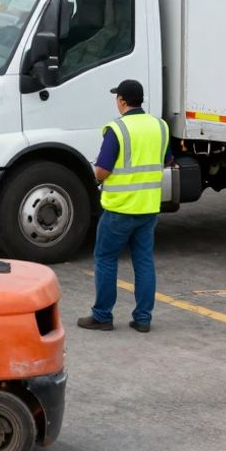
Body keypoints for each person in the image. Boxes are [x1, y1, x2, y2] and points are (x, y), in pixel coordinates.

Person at [78, 79, 172, 334]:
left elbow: (102, 172)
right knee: (143, 261)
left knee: (106, 259)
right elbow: (166, 160)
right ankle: (143, 318)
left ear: (121, 100)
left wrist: (95, 172)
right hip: (148, 209)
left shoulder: (117, 129)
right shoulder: (160, 127)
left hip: (119, 209)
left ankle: (102, 316)